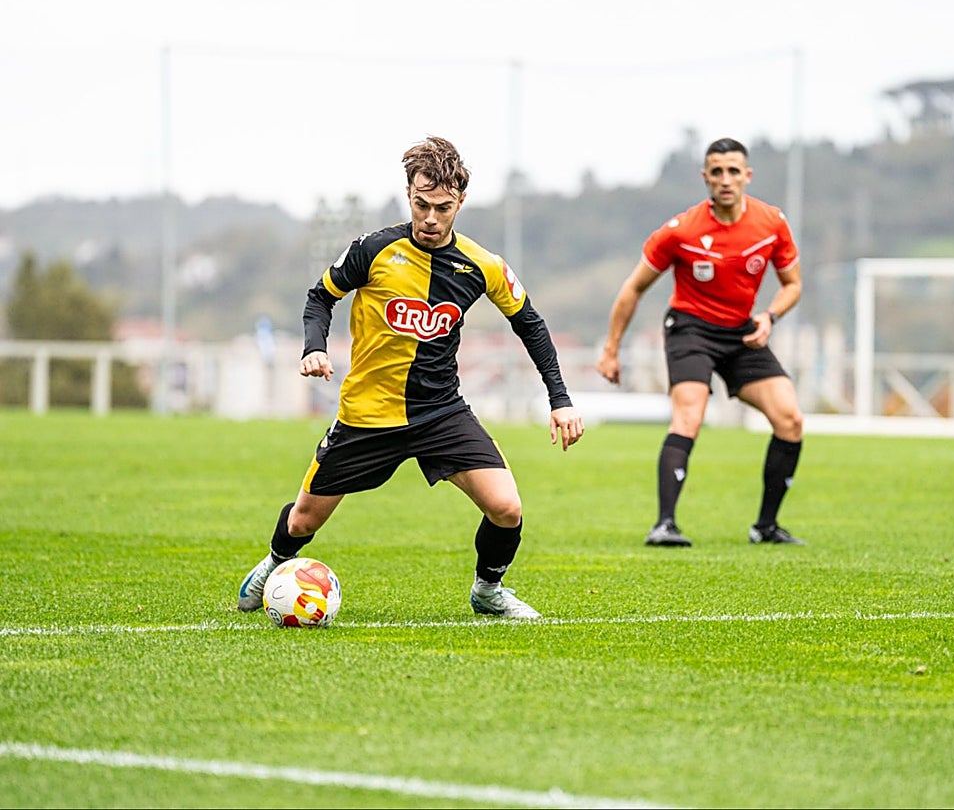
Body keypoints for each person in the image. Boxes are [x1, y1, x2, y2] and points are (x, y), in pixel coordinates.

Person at [237, 136, 584, 619]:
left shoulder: (481, 266)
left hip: (440, 413)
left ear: (461, 201)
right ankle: (274, 563)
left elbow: (530, 323)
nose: (430, 218)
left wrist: (560, 399)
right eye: (421, 204)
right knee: (303, 519)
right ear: (408, 194)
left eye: (442, 207)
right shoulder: (374, 249)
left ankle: (488, 592)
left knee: (507, 508)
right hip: (367, 415)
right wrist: (315, 347)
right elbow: (321, 296)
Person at [596, 137, 806, 547]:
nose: (725, 179)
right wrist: (611, 349)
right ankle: (665, 525)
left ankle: (765, 527)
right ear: (705, 177)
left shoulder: (771, 223)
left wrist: (770, 316)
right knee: (690, 415)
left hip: (743, 331)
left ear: (747, 176)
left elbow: (793, 285)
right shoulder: (681, 231)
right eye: (716, 171)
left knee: (790, 419)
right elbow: (633, 288)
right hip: (690, 328)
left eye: (733, 171)